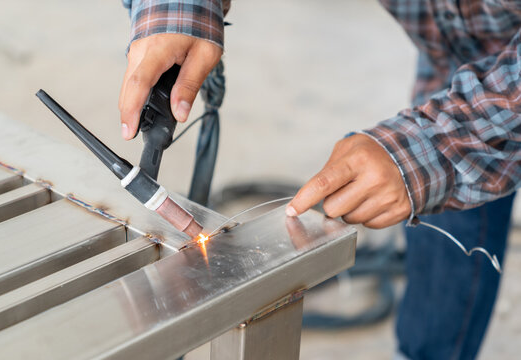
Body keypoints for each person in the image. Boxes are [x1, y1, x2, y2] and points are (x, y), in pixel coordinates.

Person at [119, 1, 521, 359]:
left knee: (431, 186)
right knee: (440, 223)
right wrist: (179, 7)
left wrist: (435, 143)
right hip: (453, 55)